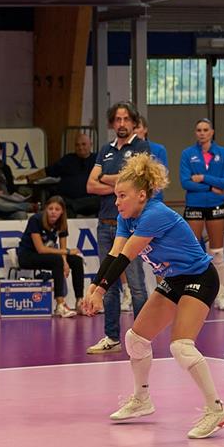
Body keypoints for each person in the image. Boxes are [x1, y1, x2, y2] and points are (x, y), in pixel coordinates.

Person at [79, 153, 224, 440]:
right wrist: (94, 286)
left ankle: (216, 409)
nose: (117, 202)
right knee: (135, 339)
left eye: (122, 196)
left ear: (141, 195)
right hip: (174, 279)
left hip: (200, 278)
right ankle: (142, 399)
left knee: (181, 346)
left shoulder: (154, 214)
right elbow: (113, 254)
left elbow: (126, 257)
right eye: (116, 196)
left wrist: (100, 292)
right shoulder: (127, 218)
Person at [85, 102, 150, 354]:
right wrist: (120, 184)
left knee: (136, 285)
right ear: (112, 123)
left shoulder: (141, 147)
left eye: (126, 119)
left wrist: (105, 177)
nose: (122, 124)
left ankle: (142, 338)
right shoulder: (105, 150)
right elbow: (90, 185)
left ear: (133, 122)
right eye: (117, 119)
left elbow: (136, 182)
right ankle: (111, 337)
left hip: (131, 226)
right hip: (106, 224)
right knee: (108, 284)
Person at [179, 118, 224, 311]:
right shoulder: (187, 154)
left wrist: (203, 178)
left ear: (212, 132)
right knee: (193, 251)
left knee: (217, 251)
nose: (202, 133)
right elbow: (185, 182)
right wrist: (211, 186)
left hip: (216, 205)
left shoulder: (223, 153)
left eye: (205, 130)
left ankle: (220, 295)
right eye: (199, 130)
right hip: (194, 204)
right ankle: (191, 294)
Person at [16, 196, 82, 317]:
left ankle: (80, 302)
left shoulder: (62, 223)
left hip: (49, 256)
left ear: (62, 211)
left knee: (76, 260)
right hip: (27, 256)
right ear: (46, 209)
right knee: (56, 260)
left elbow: (62, 248)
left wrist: (65, 262)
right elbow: (41, 249)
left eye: (57, 209)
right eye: (50, 208)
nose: (53, 212)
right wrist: (67, 252)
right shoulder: (36, 220)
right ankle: (60, 304)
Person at [23, 132, 97, 216]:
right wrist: (28, 177)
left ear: (91, 145)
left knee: (101, 200)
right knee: (62, 207)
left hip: (89, 201)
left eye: (83, 144)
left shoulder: (99, 160)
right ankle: (73, 205)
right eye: (77, 145)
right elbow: (47, 171)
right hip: (68, 200)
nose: (80, 147)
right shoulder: (68, 159)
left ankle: (74, 204)